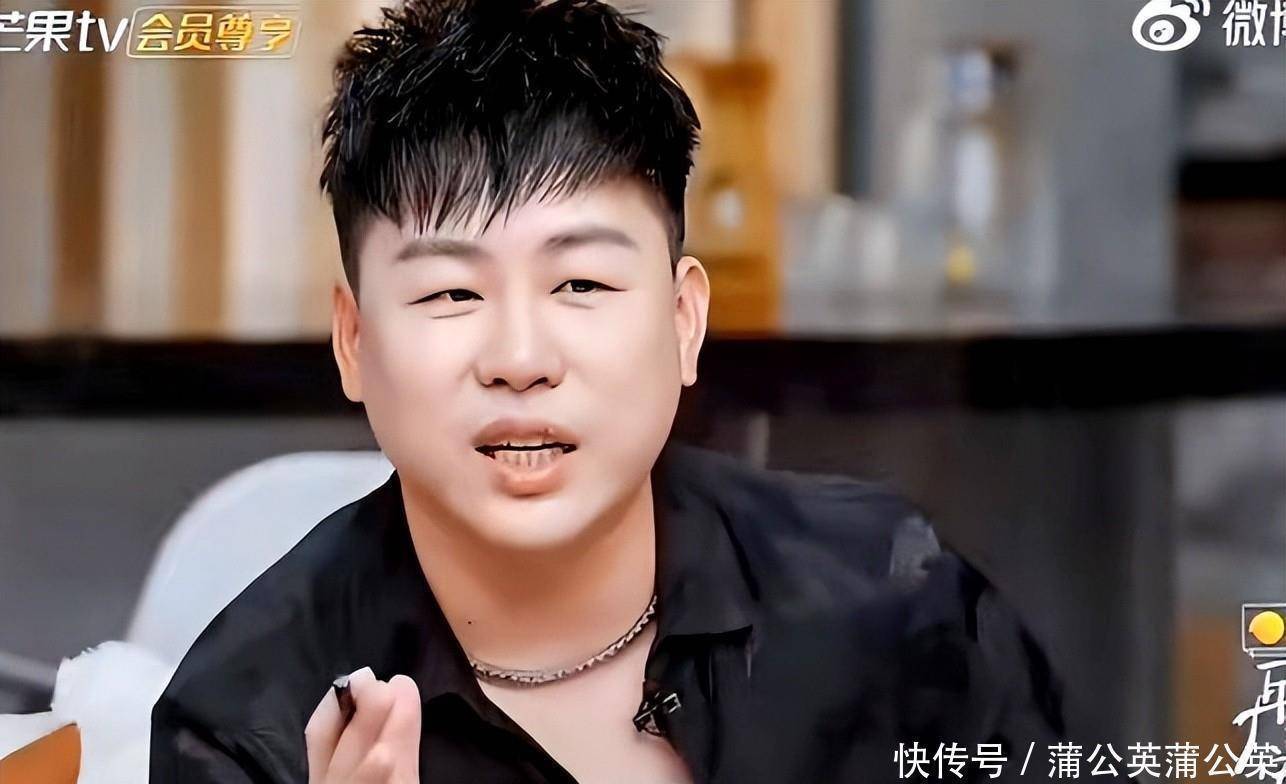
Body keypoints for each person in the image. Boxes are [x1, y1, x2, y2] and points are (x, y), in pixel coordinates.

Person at [149, 1, 1065, 781]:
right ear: (354, 342)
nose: (519, 358)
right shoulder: (245, 728)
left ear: (683, 320)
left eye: (581, 283)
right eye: (451, 294)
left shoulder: (897, 606)